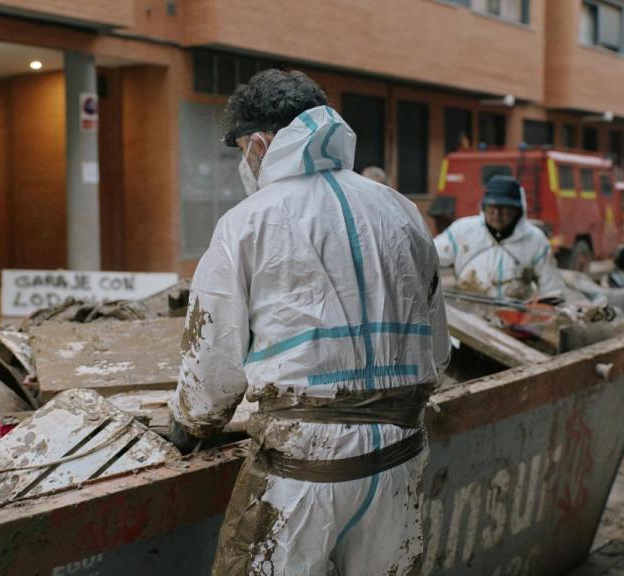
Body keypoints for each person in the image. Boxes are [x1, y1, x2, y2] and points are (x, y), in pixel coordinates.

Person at [168, 69, 450, 575]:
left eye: (239, 150)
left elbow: (212, 366)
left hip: (302, 476)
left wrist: (189, 426)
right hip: (400, 461)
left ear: (259, 144)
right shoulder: (403, 210)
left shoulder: (247, 222)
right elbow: (439, 350)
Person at [435, 175, 563, 300]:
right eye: (491, 207)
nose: (497, 214)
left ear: (517, 210)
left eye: (504, 208)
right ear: (483, 207)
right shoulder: (462, 231)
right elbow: (429, 258)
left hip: (516, 315)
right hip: (468, 314)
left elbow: (551, 290)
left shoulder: (535, 239)